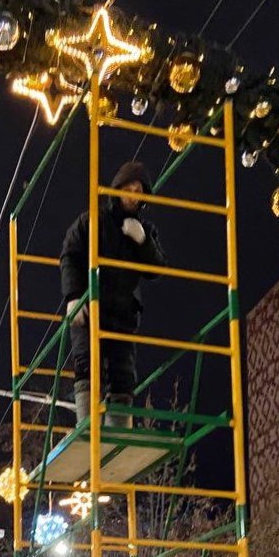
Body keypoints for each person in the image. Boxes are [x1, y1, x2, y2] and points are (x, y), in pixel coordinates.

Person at [60, 159, 166, 428]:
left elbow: (156, 269)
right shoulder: (92, 221)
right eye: (128, 188)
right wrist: (73, 297)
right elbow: (70, 255)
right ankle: (88, 430)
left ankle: (118, 433)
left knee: (123, 375)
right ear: (117, 189)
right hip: (89, 309)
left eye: (138, 190)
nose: (133, 195)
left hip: (122, 314)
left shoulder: (144, 230)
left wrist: (142, 241)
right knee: (87, 365)